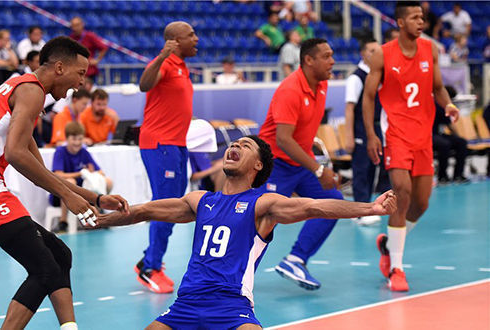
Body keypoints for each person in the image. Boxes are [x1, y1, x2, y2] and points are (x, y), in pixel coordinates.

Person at [93, 136, 397, 330]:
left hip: (230, 306)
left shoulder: (262, 205)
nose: (234, 147)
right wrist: (100, 220)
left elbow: (314, 207)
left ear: (258, 165)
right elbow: (145, 210)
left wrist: (369, 208)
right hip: (186, 304)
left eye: (244, 146)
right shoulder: (201, 201)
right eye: (233, 144)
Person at [0, 36, 129, 330]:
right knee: (43, 269)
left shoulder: (23, 91)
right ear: (59, 68)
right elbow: (15, 154)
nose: (81, 83)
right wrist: (68, 198)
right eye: (80, 73)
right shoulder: (30, 91)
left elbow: (41, 171)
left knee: (60, 255)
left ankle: (69, 327)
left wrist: (95, 197)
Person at [362, 1, 459, 292]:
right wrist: (370, 134)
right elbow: (368, 97)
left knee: (421, 203)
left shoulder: (431, 50)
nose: (422, 21)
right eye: (415, 17)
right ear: (400, 22)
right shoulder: (382, 55)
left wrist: (449, 104)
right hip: (396, 134)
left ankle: (389, 246)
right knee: (401, 194)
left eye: (423, 17)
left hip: (423, 136)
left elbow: (438, 87)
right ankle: (397, 269)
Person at [258, 38, 341, 291]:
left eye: (332, 55)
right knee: (261, 222)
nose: (332, 61)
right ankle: (232, 279)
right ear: (308, 60)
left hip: (299, 163)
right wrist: (318, 168)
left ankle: (295, 260)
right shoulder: (290, 89)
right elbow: (283, 139)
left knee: (332, 204)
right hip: (274, 164)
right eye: (326, 56)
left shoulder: (322, 84)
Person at [135, 21, 198, 294]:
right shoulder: (165, 63)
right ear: (174, 40)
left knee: (176, 207)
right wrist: (161, 56)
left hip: (176, 145)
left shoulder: (182, 66)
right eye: (191, 35)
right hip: (160, 144)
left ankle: (149, 259)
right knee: (166, 206)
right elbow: (144, 84)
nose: (196, 39)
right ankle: (150, 267)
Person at [344, 38, 390, 226]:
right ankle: (360, 211)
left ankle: (370, 208)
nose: (376, 54)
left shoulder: (378, 74)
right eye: (371, 50)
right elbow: (349, 108)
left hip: (377, 126)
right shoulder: (356, 77)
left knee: (374, 168)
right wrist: (349, 137)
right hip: (361, 129)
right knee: (362, 170)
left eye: (378, 50)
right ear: (363, 53)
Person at [51, 121, 114, 232]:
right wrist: (80, 173)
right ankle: (63, 222)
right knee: (70, 182)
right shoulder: (60, 151)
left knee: (108, 181)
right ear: (66, 139)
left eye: (80, 139)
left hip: (82, 194)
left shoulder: (84, 152)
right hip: (59, 195)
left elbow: (100, 172)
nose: (77, 143)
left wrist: (89, 173)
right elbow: (57, 175)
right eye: (74, 139)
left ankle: (98, 214)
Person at [432, 86, 469, 184]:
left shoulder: (442, 106)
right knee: (445, 144)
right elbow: (450, 126)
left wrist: (458, 138)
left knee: (461, 142)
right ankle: (442, 176)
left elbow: (448, 124)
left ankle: (458, 175)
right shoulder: (437, 105)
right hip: (428, 136)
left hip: (437, 134)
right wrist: (456, 135)